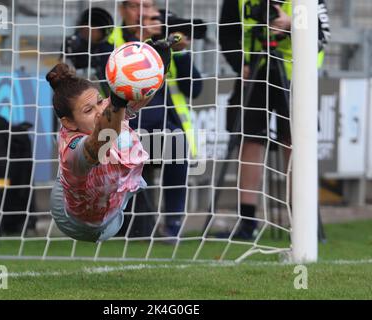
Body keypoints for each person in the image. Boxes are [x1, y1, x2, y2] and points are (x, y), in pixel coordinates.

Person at [65, 0, 203, 239]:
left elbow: (196, 89)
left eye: (147, 6)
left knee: (176, 143)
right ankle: (112, 221)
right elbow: (80, 60)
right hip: (120, 133)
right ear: (122, 10)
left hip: (160, 130)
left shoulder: (167, 40)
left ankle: (172, 226)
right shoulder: (110, 39)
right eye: (135, 6)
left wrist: (178, 53)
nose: (142, 12)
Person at [218, 0, 330, 239]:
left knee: (295, 144)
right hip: (255, 72)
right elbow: (226, 33)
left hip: (296, 76)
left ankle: (303, 222)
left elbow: (323, 34)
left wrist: (291, 24)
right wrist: (240, 64)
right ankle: (247, 222)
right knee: (250, 141)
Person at [48, 36, 176, 242]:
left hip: (112, 212)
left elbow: (135, 97)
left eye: (100, 101)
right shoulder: (72, 149)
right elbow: (101, 140)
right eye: (88, 110)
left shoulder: (107, 109)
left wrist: (155, 67)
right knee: (115, 133)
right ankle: (68, 179)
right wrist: (117, 102)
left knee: (122, 127)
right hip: (73, 220)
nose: (100, 111)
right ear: (69, 123)